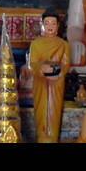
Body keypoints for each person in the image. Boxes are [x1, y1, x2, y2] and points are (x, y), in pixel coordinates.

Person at [28, 9, 71, 142]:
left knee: (53, 111)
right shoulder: (35, 44)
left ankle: (52, 137)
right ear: (42, 25)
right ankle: (41, 137)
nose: (50, 26)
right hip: (40, 83)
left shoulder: (64, 45)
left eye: (53, 23)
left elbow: (66, 64)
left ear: (58, 26)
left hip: (56, 83)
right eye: (47, 23)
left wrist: (59, 73)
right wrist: (42, 69)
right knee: (41, 111)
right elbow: (32, 64)